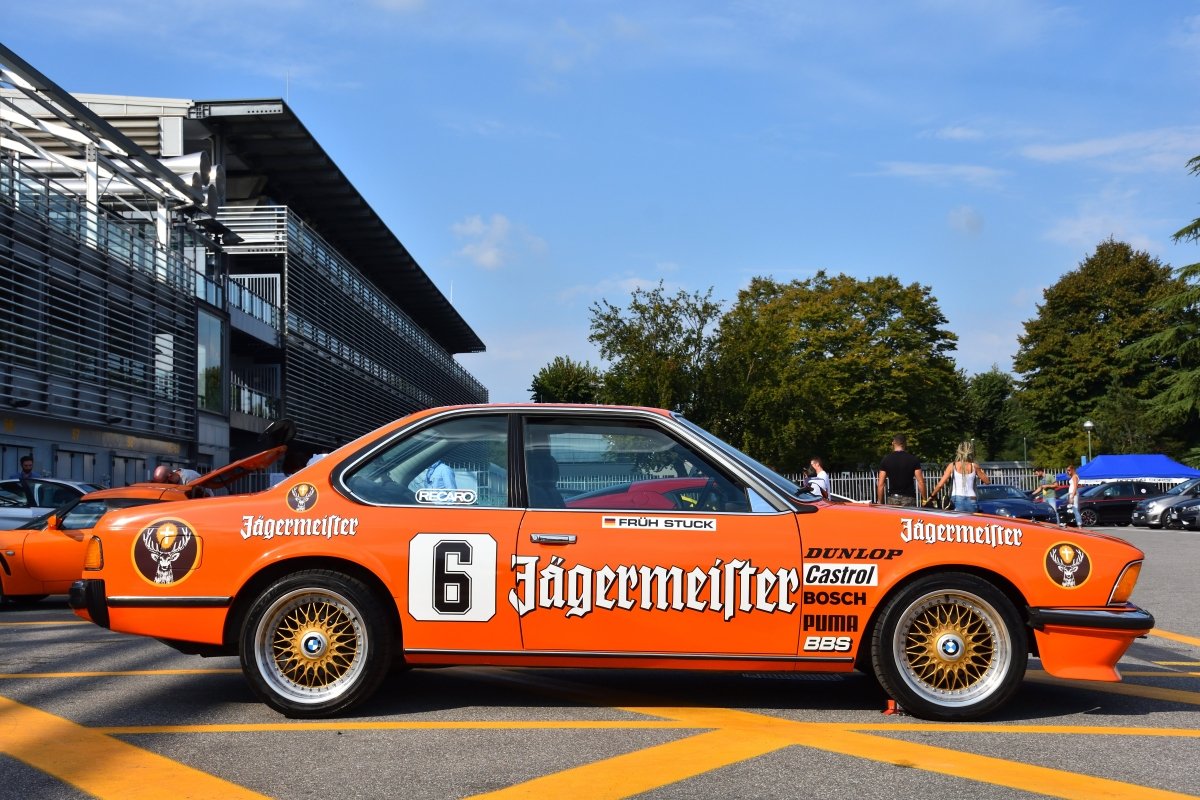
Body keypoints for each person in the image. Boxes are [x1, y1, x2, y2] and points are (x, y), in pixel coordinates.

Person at [929, 441, 989, 512]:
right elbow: (987, 481)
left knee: (957, 522)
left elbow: (940, 485)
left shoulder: (952, 466)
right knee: (971, 522)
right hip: (972, 498)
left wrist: (932, 495)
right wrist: (981, 471)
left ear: (958, 451)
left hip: (956, 498)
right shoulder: (974, 466)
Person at [877, 435, 924, 506]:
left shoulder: (886, 460)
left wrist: (880, 501)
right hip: (909, 497)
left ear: (893, 443)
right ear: (905, 444)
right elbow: (921, 482)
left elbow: (881, 484)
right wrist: (925, 499)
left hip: (893, 498)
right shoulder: (913, 459)